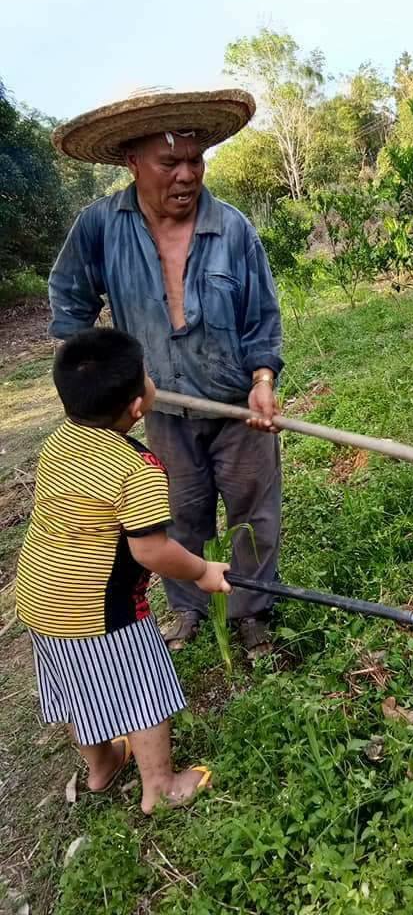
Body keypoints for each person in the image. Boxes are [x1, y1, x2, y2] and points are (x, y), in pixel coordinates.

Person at [48, 88, 283, 657]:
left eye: (195, 161)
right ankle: (188, 608)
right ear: (132, 161)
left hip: (234, 405)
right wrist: (99, 384)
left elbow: (262, 318)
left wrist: (262, 382)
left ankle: (252, 612)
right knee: (177, 513)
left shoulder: (232, 229)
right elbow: (69, 301)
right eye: (169, 162)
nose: (186, 175)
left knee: (253, 511)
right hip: (159, 409)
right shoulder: (100, 226)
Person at [15, 328, 230, 813]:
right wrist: (200, 571)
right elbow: (151, 552)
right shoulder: (137, 468)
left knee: (76, 690)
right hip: (101, 613)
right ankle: (161, 786)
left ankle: (102, 766)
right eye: (147, 377)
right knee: (143, 692)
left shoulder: (58, 442)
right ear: (138, 406)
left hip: (40, 599)